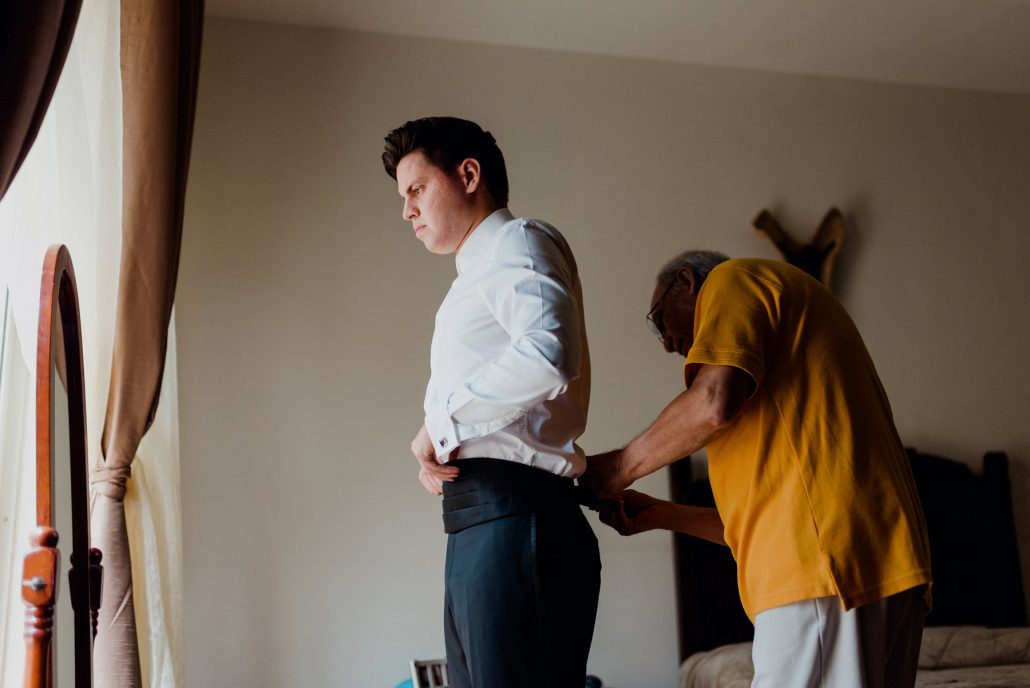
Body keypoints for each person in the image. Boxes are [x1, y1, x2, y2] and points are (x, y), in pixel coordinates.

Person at [582, 250, 932, 688]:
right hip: (876, 565)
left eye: (659, 321)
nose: (667, 344)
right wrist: (662, 514)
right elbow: (756, 526)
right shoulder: (787, 389)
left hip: (823, 573)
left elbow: (712, 403)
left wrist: (617, 468)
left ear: (686, 281)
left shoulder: (733, 279)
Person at [382, 117, 600, 688]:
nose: (407, 210)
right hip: (479, 523)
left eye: (416, 189)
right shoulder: (472, 276)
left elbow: (549, 353)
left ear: (468, 174)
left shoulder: (517, 241)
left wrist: (443, 422)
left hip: (517, 518)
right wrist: (439, 436)